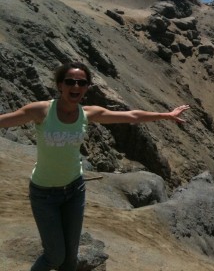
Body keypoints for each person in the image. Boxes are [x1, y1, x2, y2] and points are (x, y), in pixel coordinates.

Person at [0, 61, 190, 271]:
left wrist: (167, 115)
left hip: (74, 191)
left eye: (82, 83)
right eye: (70, 81)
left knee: (70, 260)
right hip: (44, 195)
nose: (76, 87)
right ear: (60, 85)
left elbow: (131, 116)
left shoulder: (87, 114)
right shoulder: (41, 111)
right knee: (54, 256)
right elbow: (5, 121)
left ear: (87, 87)